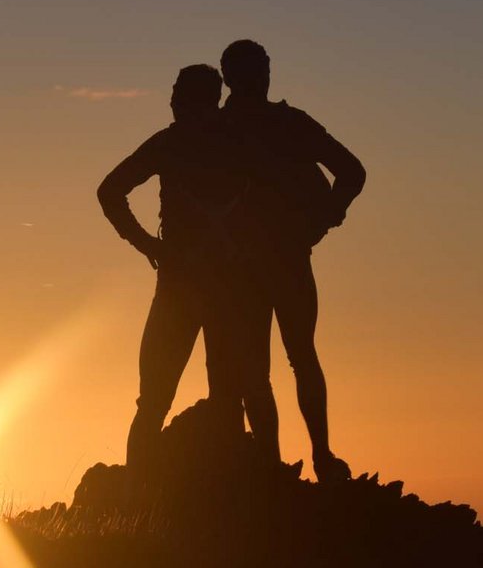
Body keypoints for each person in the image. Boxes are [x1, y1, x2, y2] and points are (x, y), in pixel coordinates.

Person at [216, 38, 366, 483]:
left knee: (279, 362)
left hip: (271, 260)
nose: (259, 78)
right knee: (274, 364)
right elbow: (351, 172)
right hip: (259, 262)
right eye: (253, 71)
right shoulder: (248, 127)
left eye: (261, 69)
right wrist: (321, 221)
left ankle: (303, 459)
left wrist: (322, 221)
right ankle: (283, 462)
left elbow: (352, 172)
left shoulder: (255, 127)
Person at [96, 64, 242, 474]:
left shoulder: (173, 143)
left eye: (179, 94)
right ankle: (226, 498)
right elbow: (109, 191)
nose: (173, 101)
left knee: (160, 400)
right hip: (221, 285)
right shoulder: (234, 143)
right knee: (224, 398)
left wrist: (147, 244)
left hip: (188, 285)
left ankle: (141, 500)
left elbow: (110, 190)